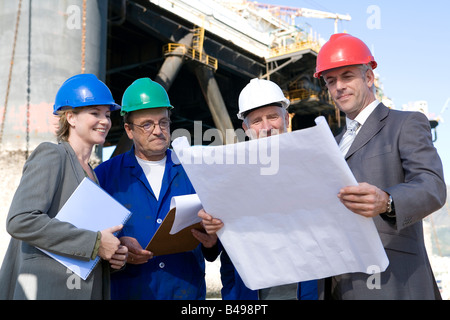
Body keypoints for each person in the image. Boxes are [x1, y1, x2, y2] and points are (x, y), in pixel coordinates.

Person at [313, 33, 446, 299]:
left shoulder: (405, 124)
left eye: (347, 76)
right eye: (331, 81)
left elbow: (432, 185)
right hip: (337, 283)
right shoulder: (331, 143)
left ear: (369, 77)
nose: (338, 86)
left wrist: (388, 201)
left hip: (392, 279)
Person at [0, 74, 128, 300]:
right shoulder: (52, 155)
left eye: (107, 115)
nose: (105, 121)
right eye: (95, 113)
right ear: (71, 117)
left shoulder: (92, 174)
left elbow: (81, 244)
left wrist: (113, 256)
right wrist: (95, 243)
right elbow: (20, 220)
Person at [94, 77, 217, 300]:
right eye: (147, 124)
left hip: (185, 293)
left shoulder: (194, 170)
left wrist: (212, 240)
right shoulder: (104, 176)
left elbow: (214, 242)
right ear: (129, 130)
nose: (158, 131)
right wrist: (118, 249)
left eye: (163, 122)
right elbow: (90, 242)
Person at [197, 78, 318, 300]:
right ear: (246, 128)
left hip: (305, 290)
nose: (266, 127)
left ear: (286, 119)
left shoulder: (314, 168)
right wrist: (211, 237)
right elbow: (216, 248)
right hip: (250, 295)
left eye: (272, 117)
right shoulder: (228, 179)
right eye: (256, 121)